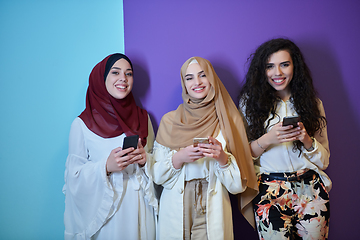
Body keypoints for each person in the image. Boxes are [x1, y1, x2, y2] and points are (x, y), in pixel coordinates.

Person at [151, 56, 258, 240]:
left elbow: (237, 186)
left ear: (212, 78)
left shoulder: (229, 120)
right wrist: (180, 157)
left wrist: (222, 159)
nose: (197, 82)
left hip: (213, 204)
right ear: (184, 83)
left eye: (203, 75)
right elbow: (157, 176)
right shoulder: (170, 120)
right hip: (176, 204)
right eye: (189, 77)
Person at [239, 38, 331, 239]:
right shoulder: (250, 104)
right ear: (262, 71)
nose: (277, 73)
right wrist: (268, 138)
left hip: (311, 189)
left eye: (284, 65)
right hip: (270, 189)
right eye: (270, 66)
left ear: (294, 66)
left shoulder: (313, 104)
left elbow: (324, 161)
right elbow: (242, 157)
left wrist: (306, 139)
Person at [63, 53, 157, 240]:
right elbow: (73, 178)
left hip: (141, 210)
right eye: (115, 72)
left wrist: (145, 160)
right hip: (109, 215)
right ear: (102, 78)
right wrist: (105, 167)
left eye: (128, 73)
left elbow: (158, 164)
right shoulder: (81, 125)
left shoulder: (143, 118)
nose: (123, 78)